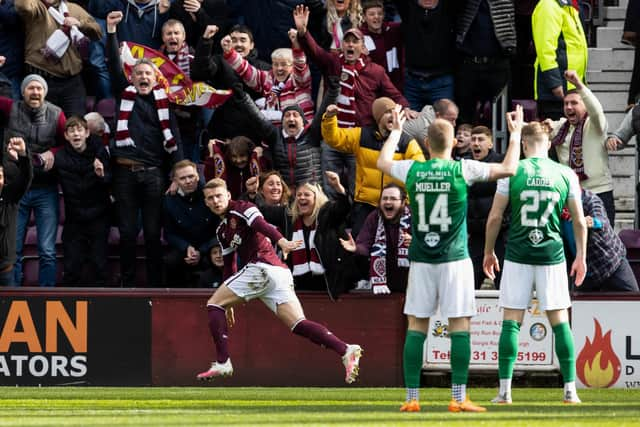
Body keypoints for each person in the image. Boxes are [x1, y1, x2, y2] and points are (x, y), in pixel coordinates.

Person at [377, 105, 523, 412]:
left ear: (427, 144)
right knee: (460, 326)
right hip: (454, 258)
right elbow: (509, 169)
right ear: (455, 142)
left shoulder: (413, 169)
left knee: (417, 325)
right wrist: (515, 134)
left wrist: (395, 134)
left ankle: (412, 399)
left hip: (421, 259)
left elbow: (382, 161)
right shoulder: (463, 169)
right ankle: (458, 398)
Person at [196, 177, 363, 384]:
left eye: (218, 196)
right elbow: (229, 265)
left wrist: (282, 241)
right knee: (298, 324)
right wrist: (228, 303)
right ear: (205, 202)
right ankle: (345, 349)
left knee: (213, 304)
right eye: (210, 198)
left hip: (262, 268)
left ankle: (223, 362)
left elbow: (261, 224)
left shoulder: (242, 207)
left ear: (228, 195)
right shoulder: (222, 231)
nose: (215, 201)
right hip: (278, 274)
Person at [483, 121, 587, 405]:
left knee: (511, 323)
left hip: (517, 254)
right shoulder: (565, 173)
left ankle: (504, 392)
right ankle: (570, 390)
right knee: (560, 323)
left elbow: (494, 217)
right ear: (550, 143)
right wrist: (581, 256)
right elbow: (579, 220)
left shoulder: (512, 170)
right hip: (552, 255)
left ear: (524, 145)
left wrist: (488, 252)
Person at [107, 11, 184, 286]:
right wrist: (112, 33)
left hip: (154, 175)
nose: (142, 77)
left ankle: (155, 286)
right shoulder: (123, 95)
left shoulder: (163, 105)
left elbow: (174, 140)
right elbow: (115, 67)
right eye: (138, 73)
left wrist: (177, 173)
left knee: (153, 234)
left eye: (147, 73)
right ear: (132, 77)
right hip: (125, 174)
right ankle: (127, 285)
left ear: (155, 79)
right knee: (128, 233)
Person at [321, 97, 425, 235]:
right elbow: (334, 138)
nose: (392, 116)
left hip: (397, 206)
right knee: (360, 248)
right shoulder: (362, 136)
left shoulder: (407, 141)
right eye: (388, 112)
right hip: (366, 205)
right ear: (378, 116)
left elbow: (420, 169)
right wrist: (329, 118)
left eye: (394, 112)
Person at [0, 74, 66, 286]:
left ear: (45, 92)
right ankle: (14, 295)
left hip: (45, 188)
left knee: (47, 250)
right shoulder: (11, 108)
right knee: (14, 249)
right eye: (31, 88)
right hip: (16, 191)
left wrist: (53, 153)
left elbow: (71, 143)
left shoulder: (57, 114)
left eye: (39, 88)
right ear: (23, 91)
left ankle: (47, 295)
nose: (35, 92)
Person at [545, 70, 615, 225]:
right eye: (566, 103)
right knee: (572, 247)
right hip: (571, 196)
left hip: (599, 193)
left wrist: (579, 85)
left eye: (574, 103)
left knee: (601, 244)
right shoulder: (560, 127)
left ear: (585, 104)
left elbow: (596, 110)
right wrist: (519, 125)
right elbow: (534, 133)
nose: (569, 107)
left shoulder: (595, 124)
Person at [17, 0, 102, 117]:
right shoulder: (36, 7)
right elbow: (24, 6)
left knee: (75, 125)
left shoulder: (73, 8)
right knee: (45, 129)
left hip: (72, 83)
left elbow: (97, 31)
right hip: (41, 80)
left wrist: (80, 23)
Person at [55, 116, 111, 286]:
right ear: (66, 136)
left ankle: (104, 304)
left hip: (99, 215)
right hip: (75, 217)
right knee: (71, 265)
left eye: (79, 130)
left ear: (87, 133)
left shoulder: (100, 152)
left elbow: (111, 180)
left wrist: (101, 175)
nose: (76, 134)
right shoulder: (61, 156)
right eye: (71, 131)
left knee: (99, 262)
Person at [221, 28, 314, 125]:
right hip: (275, 133)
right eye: (275, 64)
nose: (279, 68)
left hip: (301, 130)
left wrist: (297, 45)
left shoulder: (299, 79)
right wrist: (229, 52)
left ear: (292, 65)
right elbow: (246, 70)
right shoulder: (267, 78)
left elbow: (300, 64)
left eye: (284, 64)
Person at [289, 171, 359, 297]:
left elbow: (343, 207)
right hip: (301, 285)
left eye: (306, 194)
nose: (302, 198)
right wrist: (251, 195)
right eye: (299, 195)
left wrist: (337, 186)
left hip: (328, 284)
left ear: (316, 198)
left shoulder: (328, 215)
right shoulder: (291, 221)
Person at [561, 188, 639, 292]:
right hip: (582, 272)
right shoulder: (554, 207)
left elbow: (602, 221)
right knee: (579, 307)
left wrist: (591, 222)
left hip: (611, 263)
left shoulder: (589, 199)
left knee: (633, 303)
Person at [339, 183, 411, 294]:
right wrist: (356, 248)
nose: (388, 202)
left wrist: (415, 243)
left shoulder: (415, 217)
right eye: (384, 198)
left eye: (393, 199)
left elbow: (428, 243)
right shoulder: (374, 217)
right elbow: (365, 244)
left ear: (403, 202)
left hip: (412, 278)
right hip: (385, 281)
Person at [454, 0, 516, 125]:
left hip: (498, 62)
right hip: (469, 62)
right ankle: (465, 143)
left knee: (502, 116)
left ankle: (501, 144)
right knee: (464, 115)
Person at [392, 0, 457, 111]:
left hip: (442, 82)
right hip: (413, 82)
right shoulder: (408, 10)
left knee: (444, 125)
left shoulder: (449, 9)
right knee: (408, 126)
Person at [164, 160, 219, 287]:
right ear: (175, 181)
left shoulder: (210, 195)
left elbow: (219, 229)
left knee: (213, 260)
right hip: (185, 248)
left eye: (191, 176)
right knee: (170, 261)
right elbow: (169, 233)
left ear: (198, 176)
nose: (188, 181)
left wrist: (202, 250)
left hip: (208, 247)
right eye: (183, 178)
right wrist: (186, 247)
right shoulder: (169, 200)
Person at [532, 0, 588, 120]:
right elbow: (545, 49)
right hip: (557, 91)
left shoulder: (569, 7)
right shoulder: (549, 5)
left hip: (570, 87)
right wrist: (555, 84)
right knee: (556, 135)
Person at [467, 126, 507, 290]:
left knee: (503, 285)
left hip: (500, 235)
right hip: (475, 234)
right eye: (473, 139)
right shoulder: (464, 165)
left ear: (491, 143)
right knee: (468, 285)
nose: (476, 143)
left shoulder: (502, 163)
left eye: (481, 139)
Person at [0, 137, 33, 285]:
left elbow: (26, 177)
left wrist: (23, 156)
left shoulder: (10, 197)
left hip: (5, 272)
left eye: (0, 175)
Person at [359, 0, 403, 91]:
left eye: (380, 13)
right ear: (364, 17)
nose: (376, 17)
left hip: (394, 87)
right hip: (372, 89)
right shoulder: (359, 37)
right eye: (372, 14)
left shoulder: (393, 30)